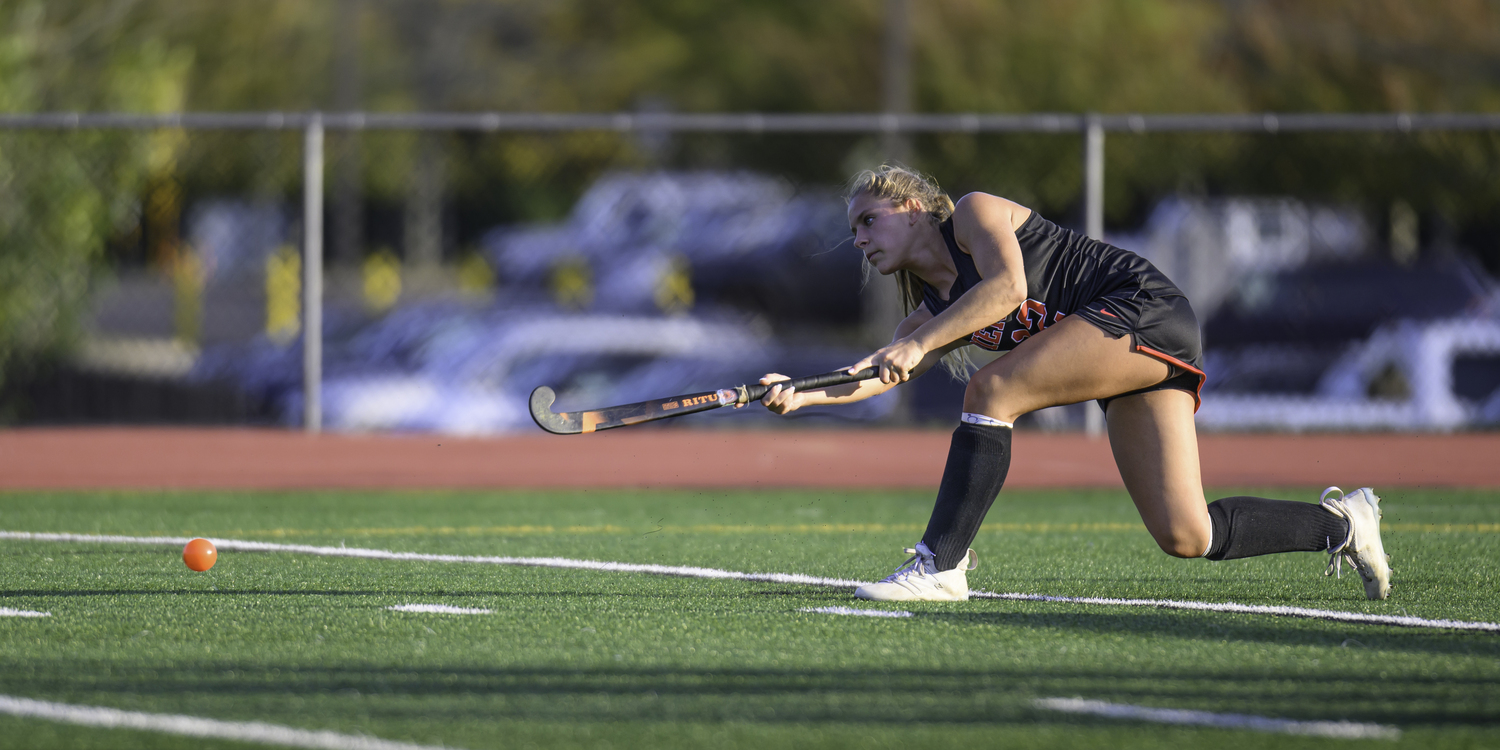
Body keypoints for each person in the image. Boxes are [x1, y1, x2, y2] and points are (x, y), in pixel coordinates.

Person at [755, 165, 1391, 602]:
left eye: (868, 220)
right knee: (1187, 535)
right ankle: (1342, 524)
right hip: (1120, 352)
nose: (858, 238)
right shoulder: (929, 313)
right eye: (854, 229)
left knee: (992, 391)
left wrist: (919, 343)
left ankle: (941, 563)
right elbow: (879, 371)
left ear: (912, 207)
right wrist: (803, 392)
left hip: (1142, 307)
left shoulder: (973, 216)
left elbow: (1009, 289)